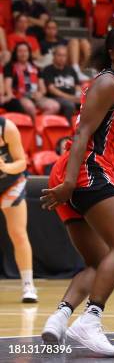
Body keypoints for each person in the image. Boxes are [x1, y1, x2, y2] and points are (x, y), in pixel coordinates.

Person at [40, 26, 114, 355]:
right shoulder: (108, 83)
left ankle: (60, 317)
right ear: (111, 53)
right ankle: (91, 319)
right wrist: (71, 181)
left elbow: (109, 140)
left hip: (87, 169)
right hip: (85, 171)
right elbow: (84, 132)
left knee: (99, 261)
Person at [0, 116, 38, 303]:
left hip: (10, 183)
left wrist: (5, 166)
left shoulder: (7, 127)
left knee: (18, 233)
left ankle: (28, 285)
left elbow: (21, 162)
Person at [4, 42, 59, 121]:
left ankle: (38, 124)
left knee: (55, 106)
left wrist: (40, 93)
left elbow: (43, 88)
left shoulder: (35, 68)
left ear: (29, 53)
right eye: (20, 51)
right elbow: (7, 86)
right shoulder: (10, 67)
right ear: (15, 53)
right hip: (20, 96)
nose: (23, 54)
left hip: (35, 96)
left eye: (25, 51)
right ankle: (35, 129)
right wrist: (11, 95)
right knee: (30, 108)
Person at [42, 45, 81, 122]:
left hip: (72, 97)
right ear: (54, 56)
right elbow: (52, 90)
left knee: (89, 105)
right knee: (69, 105)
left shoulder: (71, 69)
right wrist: (70, 97)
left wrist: (79, 96)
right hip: (56, 98)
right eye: (59, 55)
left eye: (64, 55)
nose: (62, 58)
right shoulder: (48, 69)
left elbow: (77, 86)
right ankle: (68, 129)